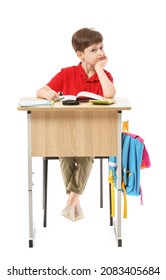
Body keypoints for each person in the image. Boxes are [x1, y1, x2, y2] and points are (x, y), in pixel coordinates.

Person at [36, 27, 116, 222]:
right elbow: (41, 90)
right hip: (68, 131)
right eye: (94, 50)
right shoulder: (67, 73)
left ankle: (71, 202)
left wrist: (98, 69)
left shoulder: (105, 75)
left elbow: (110, 94)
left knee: (87, 153)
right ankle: (75, 202)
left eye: (101, 48)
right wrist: (48, 93)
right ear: (80, 55)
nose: (100, 53)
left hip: (94, 132)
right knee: (65, 151)